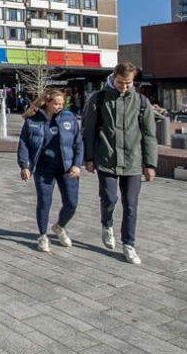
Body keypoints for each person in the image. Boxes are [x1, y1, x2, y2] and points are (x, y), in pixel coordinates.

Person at [82, 62, 158, 265]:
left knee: (131, 204)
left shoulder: (141, 102)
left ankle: (129, 245)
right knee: (109, 198)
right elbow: (88, 131)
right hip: (106, 159)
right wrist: (88, 159)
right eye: (120, 82)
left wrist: (150, 164)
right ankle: (107, 225)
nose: (124, 86)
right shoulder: (98, 99)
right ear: (113, 77)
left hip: (132, 161)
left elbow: (149, 135)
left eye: (128, 83)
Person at [18, 88, 83, 253]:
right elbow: (24, 143)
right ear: (47, 102)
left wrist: (77, 164)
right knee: (44, 202)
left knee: (71, 203)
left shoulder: (69, 118)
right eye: (56, 103)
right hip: (43, 168)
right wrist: (24, 165)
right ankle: (42, 236)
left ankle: (60, 226)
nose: (59, 107)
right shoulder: (33, 121)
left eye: (62, 104)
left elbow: (78, 143)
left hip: (66, 168)